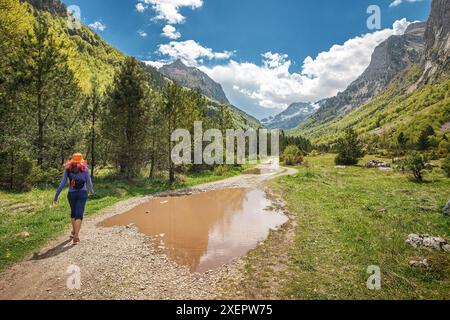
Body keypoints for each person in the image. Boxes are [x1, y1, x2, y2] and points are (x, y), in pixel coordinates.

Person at [54, 153, 94, 245]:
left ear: (72, 160)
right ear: (81, 160)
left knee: (73, 213)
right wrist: (91, 191)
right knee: (79, 214)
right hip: (82, 193)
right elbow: (89, 182)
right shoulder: (85, 169)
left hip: (71, 194)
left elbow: (62, 184)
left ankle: (74, 231)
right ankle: (76, 236)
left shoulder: (68, 170)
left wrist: (56, 197)